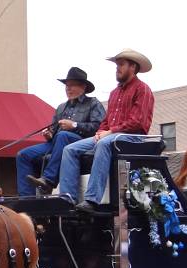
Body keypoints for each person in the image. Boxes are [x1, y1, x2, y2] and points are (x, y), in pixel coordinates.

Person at [58, 48, 155, 214]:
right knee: (69, 149)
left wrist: (108, 133)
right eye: (117, 65)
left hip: (132, 137)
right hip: (111, 135)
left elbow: (137, 122)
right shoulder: (114, 93)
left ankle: (92, 199)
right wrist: (100, 131)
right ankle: (68, 198)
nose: (117, 68)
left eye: (121, 64)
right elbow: (106, 120)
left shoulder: (142, 89)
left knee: (103, 143)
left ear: (133, 67)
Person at [18, 67, 106, 196]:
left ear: (83, 87)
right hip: (57, 142)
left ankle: (48, 180)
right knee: (23, 154)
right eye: (66, 86)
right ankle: (25, 199)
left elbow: (98, 127)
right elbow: (54, 133)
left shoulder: (93, 103)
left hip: (82, 141)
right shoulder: (61, 107)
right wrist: (49, 135)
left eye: (71, 85)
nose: (67, 89)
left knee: (63, 135)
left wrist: (74, 125)